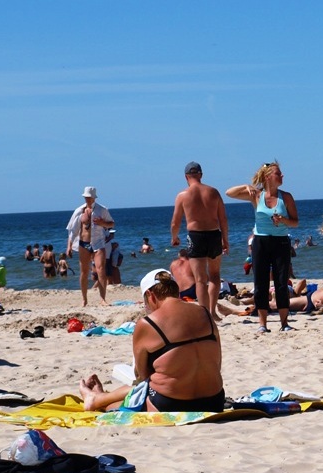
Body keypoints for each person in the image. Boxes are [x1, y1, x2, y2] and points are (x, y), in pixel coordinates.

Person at [79, 270, 224, 412]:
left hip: (171, 404)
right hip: (214, 401)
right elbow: (217, 363)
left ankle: (96, 400)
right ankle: (99, 397)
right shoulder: (205, 313)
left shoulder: (148, 323)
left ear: (150, 295)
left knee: (119, 404)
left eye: (145, 302)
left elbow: (142, 377)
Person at [225, 161, 298, 333]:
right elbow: (229, 193)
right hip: (260, 242)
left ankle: (284, 323)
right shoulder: (256, 195)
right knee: (261, 283)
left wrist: (283, 220)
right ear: (268, 177)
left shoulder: (286, 197)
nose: (282, 176)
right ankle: (262, 324)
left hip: (281, 242)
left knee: (281, 283)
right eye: (278, 174)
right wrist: (246, 186)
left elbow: (295, 222)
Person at [171, 162, 229, 321]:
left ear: (186, 177)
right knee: (215, 275)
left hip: (196, 236)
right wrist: (225, 239)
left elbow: (175, 222)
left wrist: (174, 237)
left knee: (200, 280)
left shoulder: (183, 195)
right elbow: (223, 219)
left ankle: (205, 315)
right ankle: (213, 311)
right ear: (201, 175)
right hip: (214, 235)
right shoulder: (213, 192)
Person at [65, 186, 114, 306]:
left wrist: (102, 223)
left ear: (94, 198)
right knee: (84, 272)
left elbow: (112, 224)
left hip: (98, 243)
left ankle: (103, 299)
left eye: (89, 197)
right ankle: (84, 299)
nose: (87, 199)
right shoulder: (79, 211)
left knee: (101, 270)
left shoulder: (102, 210)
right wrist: (69, 246)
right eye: (85, 197)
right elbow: (73, 230)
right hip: (84, 244)